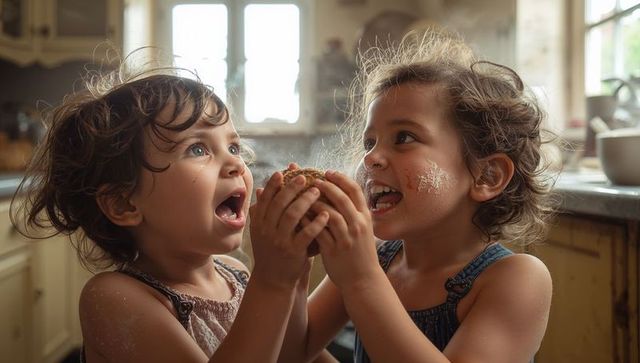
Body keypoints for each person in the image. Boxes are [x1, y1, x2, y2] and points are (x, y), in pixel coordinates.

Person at [10, 65, 331, 362]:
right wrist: (273, 283)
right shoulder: (113, 299)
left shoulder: (236, 273)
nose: (236, 164)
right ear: (125, 204)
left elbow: (291, 358)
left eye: (233, 147)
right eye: (198, 149)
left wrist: (295, 278)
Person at [269, 29, 555, 363]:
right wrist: (292, 274)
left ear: (486, 176)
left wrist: (361, 281)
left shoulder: (516, 279)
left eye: (403, 137)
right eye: (369, 142)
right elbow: (290, 353)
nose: (371, 158)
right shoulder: (377, 260)